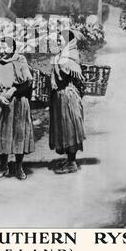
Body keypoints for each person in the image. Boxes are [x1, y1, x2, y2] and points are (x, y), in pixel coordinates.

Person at [0, 37, 34, 180]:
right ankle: (3, 165)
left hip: (18, 103)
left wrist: (13, 90)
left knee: (19, 134)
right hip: (1, 104)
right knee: (1, 134)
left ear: (12, 49)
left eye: (5, 47)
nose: (2, 50)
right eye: (0, 47)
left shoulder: (20, 62)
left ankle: (19, 167)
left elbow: (27, 84)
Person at [49, 29, 85, 174]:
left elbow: (63, 77)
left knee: (70, 128)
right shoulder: (61, 55)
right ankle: (70, 160)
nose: (58, 43)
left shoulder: (70, 56)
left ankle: (72, 163)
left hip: (68, 97)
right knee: (63, 128)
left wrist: (56, 62)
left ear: (68, 42)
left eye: (60, 41)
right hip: (61, 96)